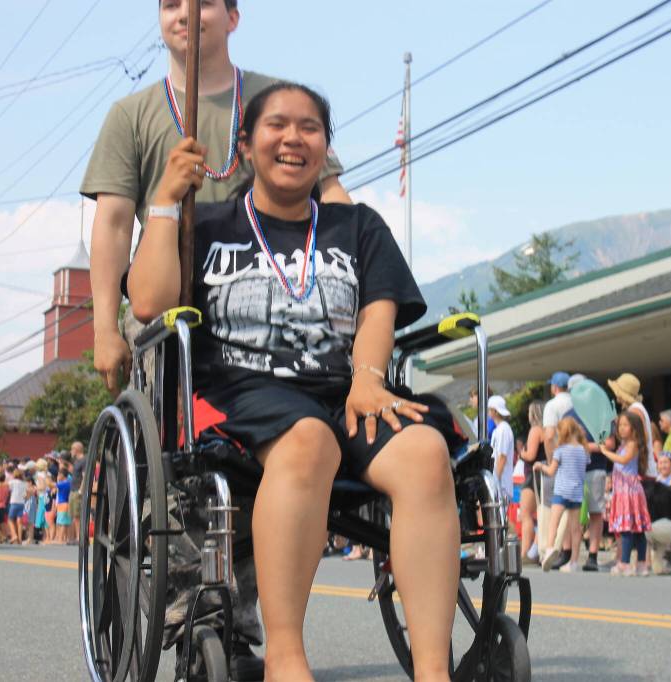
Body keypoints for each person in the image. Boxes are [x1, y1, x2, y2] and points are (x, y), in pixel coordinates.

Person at [128, 82, 462, 681]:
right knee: (309, 440)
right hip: (236, 389)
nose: (293, 138)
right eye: (276, 125)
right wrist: (163, 199)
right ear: (246, 145)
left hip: (344, 388)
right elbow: (150, 300)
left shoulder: (357, 226)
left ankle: (433, 670)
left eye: (309, 127)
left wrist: (368, 376)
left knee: (424, 452)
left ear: (324, 149)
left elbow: (378, 311)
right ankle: (286, 659)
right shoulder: (202, 223)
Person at [82, 0, 350, 397]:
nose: (186, 14)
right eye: (171, 5)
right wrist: (104, 329)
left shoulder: (278, 103)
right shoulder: (130, 115)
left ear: (233, 19)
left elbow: (331, 196)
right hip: (169, 298)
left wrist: (358, 274)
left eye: (203, 4)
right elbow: (113, 225)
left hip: (271, 292)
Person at [601, 411, 652, 576]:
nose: (621, 429)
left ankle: (625, 563)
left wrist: (605, 452)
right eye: (619, 425)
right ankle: (640, 564)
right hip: (623, 490)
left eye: (625, 425)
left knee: (629, 528)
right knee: (635, 529)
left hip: (629, 491)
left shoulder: (633, 444)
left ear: (634, 428)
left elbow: (623, 460)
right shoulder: (624, 445)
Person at [535, 417, 589, 572]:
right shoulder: (582, 451)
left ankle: (550, 548)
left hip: (561, 491)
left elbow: (551, 471)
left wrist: (541, 467)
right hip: (577, 492)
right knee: (575, 528)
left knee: (554, 522)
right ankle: (574, 561)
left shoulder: (560, 451)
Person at [539, 371, 573, 564]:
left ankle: (557, 548)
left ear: (554, 387)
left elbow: (549, 435)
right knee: (573, 507)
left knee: (557, 506)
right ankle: (570, 552)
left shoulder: (552, 405)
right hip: (576, 457)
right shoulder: (575, 404)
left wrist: (552, 459)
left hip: (560, 457)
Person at [607, 373, 656, 478]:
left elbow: (643, 437)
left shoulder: (635, 410)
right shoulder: (636, 408)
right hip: (640, 470)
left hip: (640, 472)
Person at [518, 401, 545, 565]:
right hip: (542, 474)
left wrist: (522, 453)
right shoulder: (548, 429)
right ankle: (533, 549)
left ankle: (525, 553)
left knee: (526, 515)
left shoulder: (535, 430)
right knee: (540, 514)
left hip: (532, 476)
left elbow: (531, 454)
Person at [487, 395, 515, 500]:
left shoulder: (503, 429)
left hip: (502, 484)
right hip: (499, 482)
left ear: (495, 411)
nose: (488, 412)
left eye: (490, 409)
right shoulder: (498, 430)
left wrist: (495, 480)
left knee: (501, 516)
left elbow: (502, 457)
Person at [69, 441, 85, 543]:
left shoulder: (84, 460)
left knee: (77, 515)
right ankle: (76, 537)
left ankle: (80, 537)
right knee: (73, 515)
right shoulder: (76, 461)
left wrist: (81, 490)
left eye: (72, 449)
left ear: (77, 449)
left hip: (77, 491)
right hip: (73, 489)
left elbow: (85, 475)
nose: (71, 451)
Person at [7, 469, 28, 545]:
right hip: (21, 503)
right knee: (19, 522)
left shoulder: (12, 482)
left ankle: (14, 535)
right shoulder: (25, 483)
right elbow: (25, 494)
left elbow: (8, 489)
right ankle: (19, 539)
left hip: (14, 502)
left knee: (10, 519)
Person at [55, 469, 73, 545]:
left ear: (62, 475)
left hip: (63, 504)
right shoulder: (68, 483)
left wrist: (57, 480)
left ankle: (61, 539)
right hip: (64, 504)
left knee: (62, 523)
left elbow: (51, 484)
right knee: (64, 522)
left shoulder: (64, 483)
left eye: (59, 474)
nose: (58, 476)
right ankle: (65, 538)